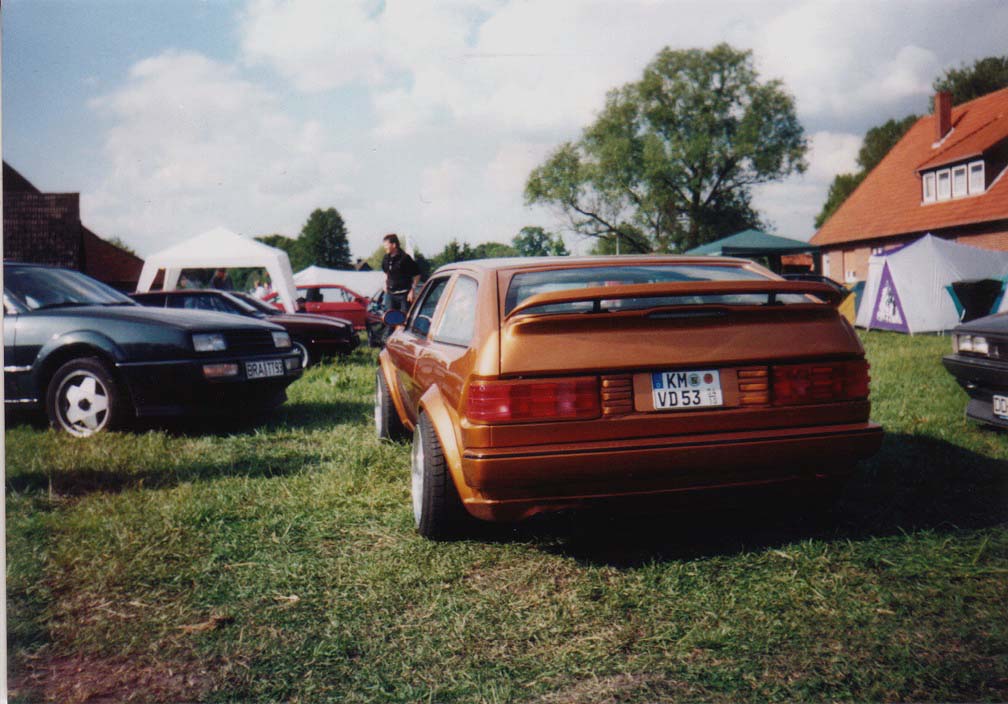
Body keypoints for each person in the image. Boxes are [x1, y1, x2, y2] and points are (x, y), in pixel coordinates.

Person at [381, 233, 420, 314]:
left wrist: (412, 290)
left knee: (404, 318)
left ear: (394, 245)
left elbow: (417, 274)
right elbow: (386, 272)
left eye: (386, 245)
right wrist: (385, 283)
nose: (385, 247)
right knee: (390, 318)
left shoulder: (405, 258)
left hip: (404, 295)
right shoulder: (386, 258)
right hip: (390, 294)